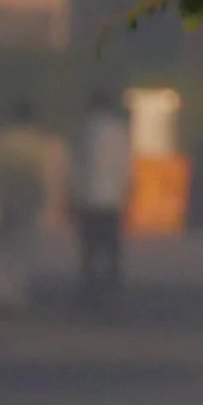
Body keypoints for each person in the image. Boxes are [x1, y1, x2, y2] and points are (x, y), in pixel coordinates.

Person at [0, 101, 56, 310]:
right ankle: (18, 290)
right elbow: (39, 171)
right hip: (28, 198)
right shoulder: (36, 140)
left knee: (4, 246)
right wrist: (44, 197)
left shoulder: (4, 137)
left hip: (7, 197)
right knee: (23, 247)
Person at [72, 87, 132, 315]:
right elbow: (126, 169)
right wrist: (127, 197)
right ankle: (111, 295)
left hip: (88, 199)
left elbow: (75, 168)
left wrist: (71, 197)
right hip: (112, 201)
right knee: (111, 251)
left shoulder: (83, 131)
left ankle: (89, 293)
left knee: (88, 251)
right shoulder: (119, 131)